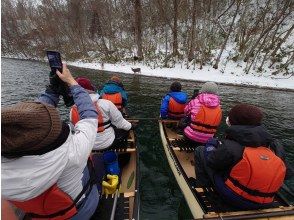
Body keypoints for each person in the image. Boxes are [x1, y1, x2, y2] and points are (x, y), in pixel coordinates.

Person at [2, 64, 99, 219]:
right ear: (52, 134)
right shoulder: (72, 153)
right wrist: (72, 82)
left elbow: (31, 119)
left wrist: (53, 90)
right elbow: (89, 115)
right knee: (94, 163)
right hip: (80, 212)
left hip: (41, 216)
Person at [194, 104, 293, 209]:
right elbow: (288, 173)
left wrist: (210, 145)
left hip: (234, 198)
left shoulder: (231, 146)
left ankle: (203, 188)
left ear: (233, 122)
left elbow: (212, 162)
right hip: (267, 201)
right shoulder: (274, 145)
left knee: (200, 150)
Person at [70, 77, 132, 150]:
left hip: (86, 145)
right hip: (107, 143)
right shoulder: (107, 104)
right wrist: (131, 126)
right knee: (124, 129)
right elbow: (120, 123)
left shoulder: (72, 110)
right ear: (92, 89)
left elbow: (73, 129)